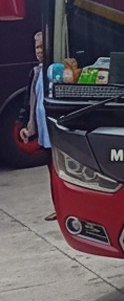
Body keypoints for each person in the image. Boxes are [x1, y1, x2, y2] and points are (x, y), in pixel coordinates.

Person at [18, 32, 55, 221]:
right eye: (37, 48)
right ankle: (57, 205)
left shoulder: (55, 71)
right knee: (51, 170)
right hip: (43, 131)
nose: (39, 52)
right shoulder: (36, 72)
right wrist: (25, 125)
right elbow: (29, 101)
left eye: (43, 47)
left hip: (55, 131)